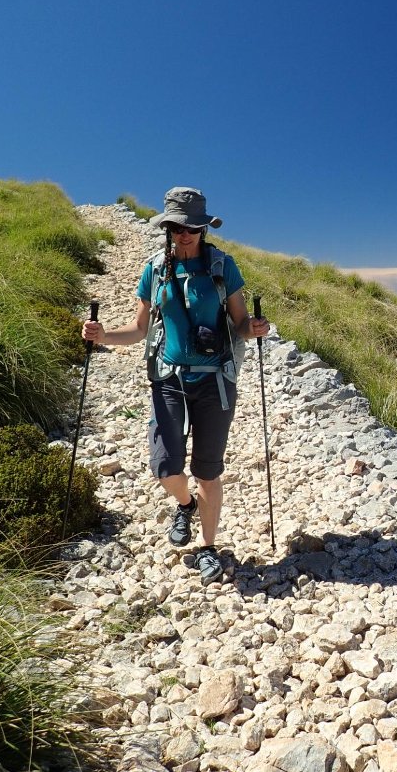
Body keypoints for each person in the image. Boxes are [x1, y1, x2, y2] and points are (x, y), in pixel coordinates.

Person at [82, 187, 269, 584]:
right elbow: (138, 329)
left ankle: (207, 547)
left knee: (207, 470)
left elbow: (238, 324)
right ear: (166, 228)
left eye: (191, 228)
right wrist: (101, 337)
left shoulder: (222, 266)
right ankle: (184, 505)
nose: (183, 235)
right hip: (168, 378)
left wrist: (253, 329)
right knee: (165, 466)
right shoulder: (155, 269)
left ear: (203, 229)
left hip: (215, 380)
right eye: (175, 228)